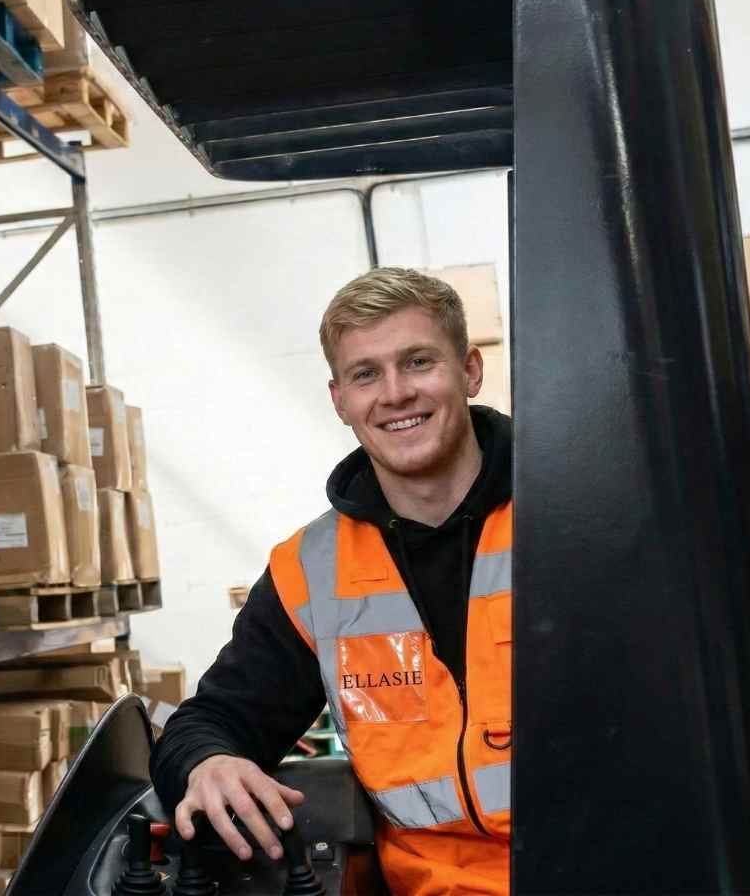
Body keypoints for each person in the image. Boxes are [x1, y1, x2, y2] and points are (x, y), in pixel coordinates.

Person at [150, 267, 512, 895]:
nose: (395, 393)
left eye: (419, 362)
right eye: (366, 374)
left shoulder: (579, 516)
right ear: (340, 399)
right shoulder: (312, 570)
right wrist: (209, 762)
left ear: (470, 371)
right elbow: (212, 719)